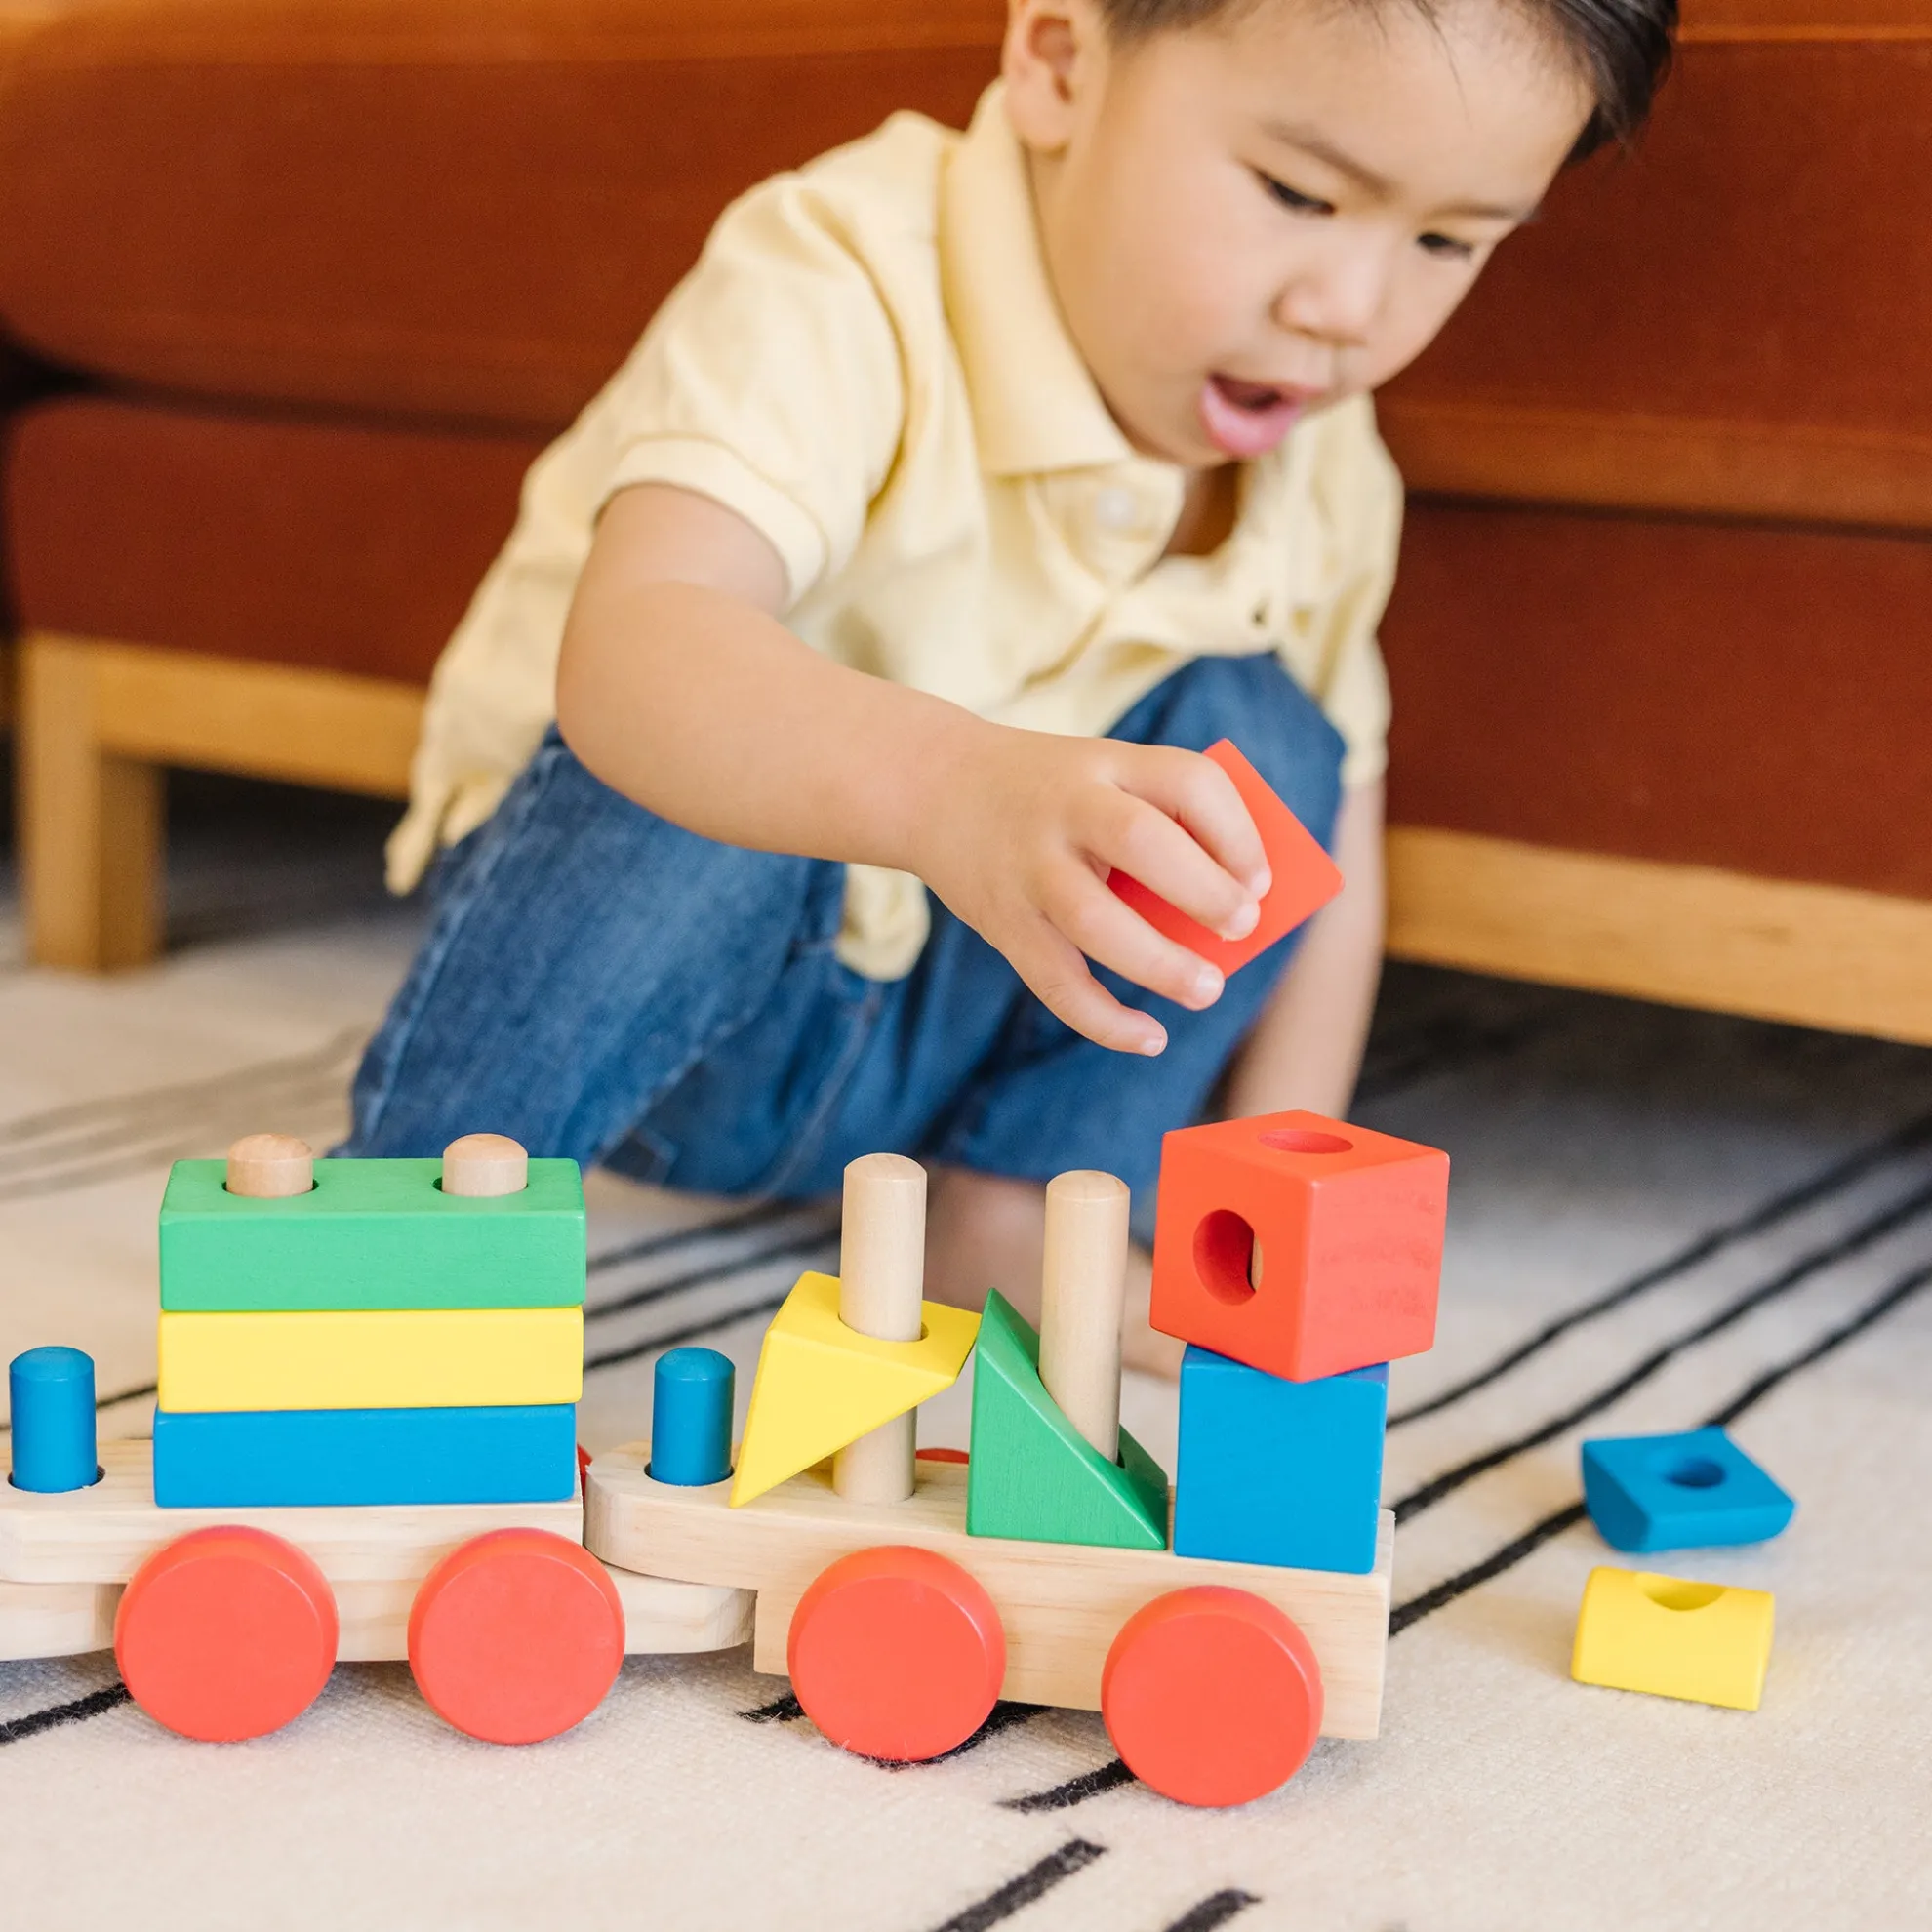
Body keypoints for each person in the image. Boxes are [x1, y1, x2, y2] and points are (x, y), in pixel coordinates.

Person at [346, 0, 1675, 1372]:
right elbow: (635, 650)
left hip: (942, 1030)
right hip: (664, 1020)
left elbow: (1332, 849)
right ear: (1059, 63)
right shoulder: (842, 268)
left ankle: (1018, 1209)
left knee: (1277, 743)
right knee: (705, 723)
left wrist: (1286, 1199)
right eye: (1296, 193)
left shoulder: (1329, 471)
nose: (1346, 312)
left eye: (1447, 242)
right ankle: (409, 1256)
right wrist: (948, 786)